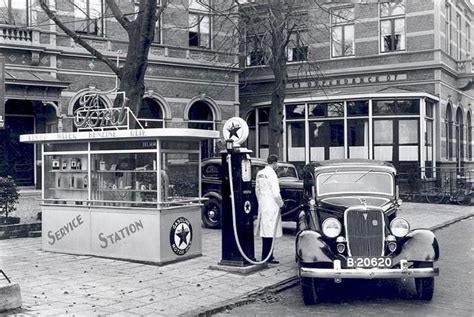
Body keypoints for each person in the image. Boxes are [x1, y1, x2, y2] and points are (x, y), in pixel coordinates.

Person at [255, 154, 284, 264]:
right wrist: (281, 204)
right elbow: (276, 194)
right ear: (275, 163)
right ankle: (268, 256)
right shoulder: (272, 175)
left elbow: (257, 190)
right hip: (272, 206)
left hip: (263, 205)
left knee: (265, 231)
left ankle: (266, 255)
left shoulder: (260, 173)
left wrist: (261, 202)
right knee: (271, 232)